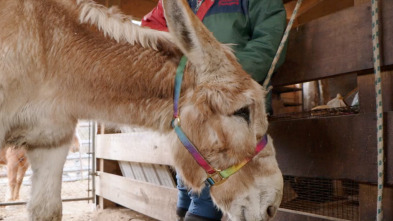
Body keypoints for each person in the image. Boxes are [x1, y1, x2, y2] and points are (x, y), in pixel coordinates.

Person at [142, 0, 287, 220]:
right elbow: (147, 33)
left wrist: (218, 77)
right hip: (190, 110)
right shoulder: (177, 3)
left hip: (233, 110)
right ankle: (186, 195)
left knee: (207, 200)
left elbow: (268, 44)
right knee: (186, 193)